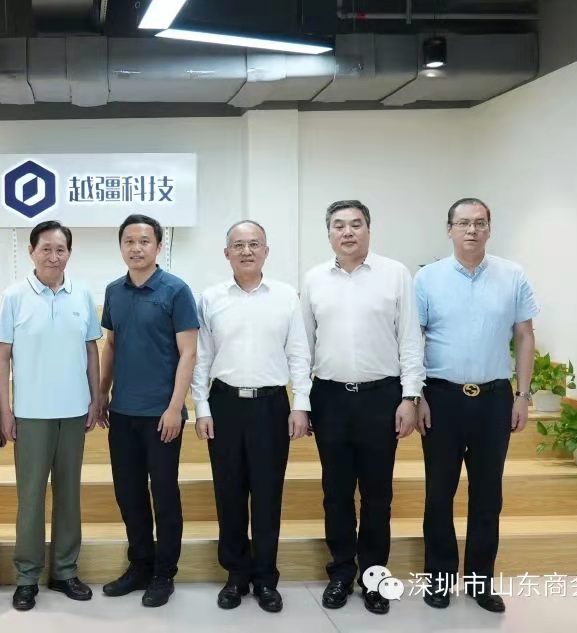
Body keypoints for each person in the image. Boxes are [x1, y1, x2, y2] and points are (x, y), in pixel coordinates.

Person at [300, 201, 425, 615]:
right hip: (330, 398)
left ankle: (374, 576)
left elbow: (410, 340)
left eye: (356, 224)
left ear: (369, 230)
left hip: (381, 397)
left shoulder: (395, 274)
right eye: (339, 225)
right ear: (329, 234)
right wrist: (302, 400)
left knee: (377, 495)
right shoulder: (314, 279)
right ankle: (340, 573)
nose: (348, 232)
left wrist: (409, 397)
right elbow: (303, 346)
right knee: (335, 493)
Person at [415, 198, 537, 614]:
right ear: (449, 229)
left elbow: (524, 335)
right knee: (439, 493)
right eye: (463, 223)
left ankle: (480, 581)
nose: (472, 230)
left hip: (494, 399)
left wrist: (522, 395)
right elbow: (413, 339)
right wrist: (417, 395)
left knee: (488, 495)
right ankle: (440, 579)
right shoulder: (427, 278)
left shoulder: (512, 275)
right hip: (441, 399)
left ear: (489, 229)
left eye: (480, 223)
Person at [190, 220, 312, 613]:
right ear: (226, 253)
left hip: (271, 406)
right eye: (239, 245)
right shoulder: (210, 298)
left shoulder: (286, 297)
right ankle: (236, 575)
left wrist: (300, 404)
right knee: (228, 493)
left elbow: (298, 353)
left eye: (254, 244)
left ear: (266, 251)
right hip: (224, 405)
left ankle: (265, 578)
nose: (247, 251)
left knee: (267, 494)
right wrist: (202, 408)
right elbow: (201, 357)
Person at [0, 220, 103, 611]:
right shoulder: (14, 296)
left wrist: (95, 399)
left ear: (69, 253)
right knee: (31, 497)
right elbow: (2, 356)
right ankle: (27, 577)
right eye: (46, 249)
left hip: (74, 412)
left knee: (69, 495)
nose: (53, 256)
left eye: (60, 249)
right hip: (31, 415)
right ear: (31, 252)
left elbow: (91, 350)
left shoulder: (82, 294)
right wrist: (5, 409)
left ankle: (65, 571)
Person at [99, 214, 199, 608]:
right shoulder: (114, 291)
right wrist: (101, 394)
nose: (136, 248)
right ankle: (139, 565)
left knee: (164, 494)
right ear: (121, 247)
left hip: (162, 415)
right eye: (129, 241)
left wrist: (176, 407)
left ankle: (163, 573)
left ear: (158, 246)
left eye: (144, 241)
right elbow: (111, 345)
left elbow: (188, 353)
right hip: (122, 413)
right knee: (128, 493)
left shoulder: (176, 290)